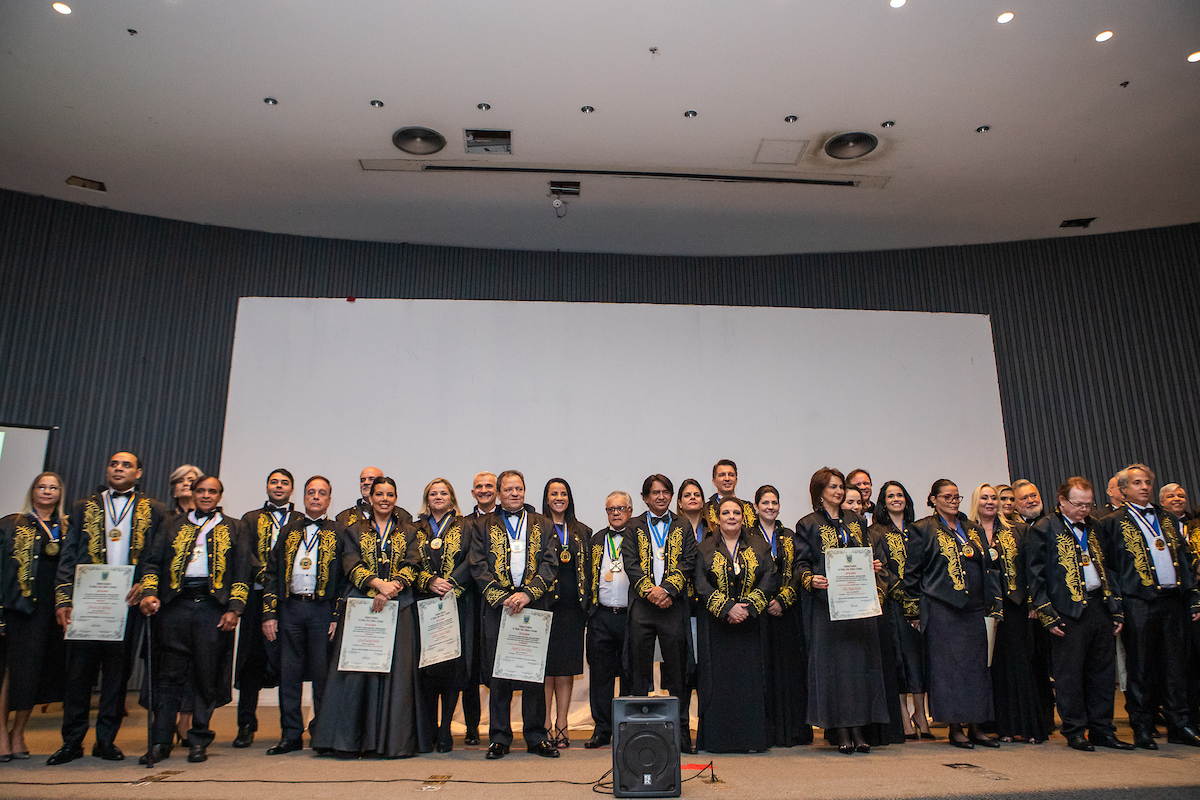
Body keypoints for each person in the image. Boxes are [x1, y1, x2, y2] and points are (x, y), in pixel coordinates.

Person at [48, 452, 167, 765]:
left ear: (138, 473)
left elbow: (156, 556)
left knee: (117, 675)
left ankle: (105, 741)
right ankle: (71, 742)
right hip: (86, 603)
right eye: (114, 464)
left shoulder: (154, 509)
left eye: (126, 465)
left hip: (126, 603)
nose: (119, 469)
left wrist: (145, 584)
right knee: (78, 675)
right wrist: (63, 599)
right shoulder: (82, 506)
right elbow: (68, 556)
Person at [139, 474, 251, 763]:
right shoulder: (171, 524)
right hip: (175, 605)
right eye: (200, 490)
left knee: (206, 676)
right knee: (169, 678)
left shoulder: (235, 527)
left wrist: (234, 609)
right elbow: (152, 562)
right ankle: (160, 741)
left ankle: (198, 739)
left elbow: (241, 572)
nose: (205, 495)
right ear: (193, 493)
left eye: (211, 491)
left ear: (219, 496)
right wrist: (150, 592)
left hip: (212, 608)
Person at [312, 476, 421, 758]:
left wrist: (391, 588)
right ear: (370, 498)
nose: (384, 499)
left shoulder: (408, 531)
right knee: (357, 674)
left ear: (396, 498)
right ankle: (350, 741)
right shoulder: (353, 530)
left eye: (390, 494)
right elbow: (350, 563)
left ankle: (390, 743)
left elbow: (413, 565)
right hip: (362, 606)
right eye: (379, 494)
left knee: (395, 676)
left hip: (399, 607)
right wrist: (377, 585)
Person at [1027, 477, 1132, 751]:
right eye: (1078, 504)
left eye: (1088, 504)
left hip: (1099, 605)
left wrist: (1116, 608)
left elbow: (1109, 568)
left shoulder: (1096, 527)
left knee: (1102, 673)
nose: (1084, 510)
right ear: (1062, 501)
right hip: (1067, 610)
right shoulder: (1044, 527)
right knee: (1069, 674)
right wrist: (1046, 612)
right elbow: (1035, 575)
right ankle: (1074, 730)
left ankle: (1102, 729)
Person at [1100, 463, 1200, 748]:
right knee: (1141, 666)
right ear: (1122, 489)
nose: (1144, 487)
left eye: (1147, 482)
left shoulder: (1166, 518)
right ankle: (1142, 726)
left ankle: (1179, 724)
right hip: (1137, 602)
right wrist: (1116, 604)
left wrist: (1193, 596)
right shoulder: (1112, 521)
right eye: (1137, 483)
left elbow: (1186, 557)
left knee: (1175, 665)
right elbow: (1107, 566)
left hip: (1173, 600)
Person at [795, 468, 888, 754]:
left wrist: (871, 565)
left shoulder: (857, 521)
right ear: (819, 490)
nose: (837, 491)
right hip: (827, 607)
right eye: (832, 487)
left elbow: (864, 553)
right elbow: (800, 564)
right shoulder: (807, 524)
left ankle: (859, 728)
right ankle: (840, 730)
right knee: (833, 669)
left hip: (857, 605)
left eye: (840, 487)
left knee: (859, 668)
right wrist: (810, 579)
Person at [903, 479, 1001, 749]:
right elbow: (911, 573)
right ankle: (956, 727)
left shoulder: (972, 528)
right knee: (949, 671)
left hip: (974, 608)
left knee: (977, 669)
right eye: (946, 497)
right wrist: (913, 610)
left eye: (956, 497)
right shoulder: (922, 529)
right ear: (933, 499)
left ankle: (977, 726)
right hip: (942, 607)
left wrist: (993, 602)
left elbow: (988, 567)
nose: (953, 501)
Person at [469, 470, 560, 759]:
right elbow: (478, 565)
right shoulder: (482, 525)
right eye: (508, 489)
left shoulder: (544, 524)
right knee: (500, 674)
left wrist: (528, 593)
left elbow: (550, 562)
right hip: (500, 608)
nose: (514, 493)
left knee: (533, 674)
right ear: (498, 493)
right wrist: (503, 597)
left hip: (533, 605)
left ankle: (536, 736)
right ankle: (499, 737)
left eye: (519, 488)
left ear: (524, 490)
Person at [261, 476, 343, 755]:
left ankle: (321, 732)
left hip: (322, 610)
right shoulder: (288, 531)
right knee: (289, 674)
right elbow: (272, 574)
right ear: (304, 497)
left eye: (322, 493)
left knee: (323, 675)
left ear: (329, 499)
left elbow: (345, 578)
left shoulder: (338, 531)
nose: (316, 497)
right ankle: (291, 734)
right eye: (311, 493)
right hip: (291, 608)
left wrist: (336, 615)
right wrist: (270, 613)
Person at [623, 474, 699, 753]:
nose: (660, 497)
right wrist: (652, 592)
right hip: (642, 608)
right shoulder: (633, 526)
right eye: (655, 492)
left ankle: (681, 734)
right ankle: (641, 733)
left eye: (666, 492)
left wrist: (667, 590)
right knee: (639, 672)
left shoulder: (682, 524)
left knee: (678, 672)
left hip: (672, 606)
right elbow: (629, 563)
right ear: (644, 497)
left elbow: (689, 560)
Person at [695, 497, 774, 753]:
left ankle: (750, 739)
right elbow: (700, 583)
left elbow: (769, 578)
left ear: (744, 517)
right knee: (719, 684)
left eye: (736, 513)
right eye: (726, 513)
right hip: (717, 627)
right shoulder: (704, 548)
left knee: (749, 683)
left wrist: (746, 609)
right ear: (717, 517)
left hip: (750, 626)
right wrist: (727, 608)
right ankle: (719, 741)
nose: (731, 517)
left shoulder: (760, 546)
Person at [969, 483, 1048, 743]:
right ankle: (1001, 727)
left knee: (1020, 666)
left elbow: (1032, 569)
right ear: (975, 502)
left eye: (994, 497)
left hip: (1015, 606)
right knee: (993, 668)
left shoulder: (1018, 531)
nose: (990, 502)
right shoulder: (967, 533)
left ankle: (1027, 727)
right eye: (985, 498)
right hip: (982, 609)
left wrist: (1034, 603)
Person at [0, 473, 69, 761]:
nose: (47, 491)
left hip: (50, 610)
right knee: (7, 673)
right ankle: (1, 734)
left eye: (53, 488)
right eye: (42, 487)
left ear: (59, 494)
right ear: (33, 490)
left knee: (33, 674)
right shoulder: (11, 523)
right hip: (16, 607)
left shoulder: (66, 528)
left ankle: (19, 732)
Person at [234, 469, 301, 748]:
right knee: (252, 660)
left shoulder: (300, 520)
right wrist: (265, 576)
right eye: (274, 482)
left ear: (292, 489)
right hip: (256, 598)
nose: (278, 486)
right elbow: (244, 553)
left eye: (284, 483)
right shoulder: (250, 519)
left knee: (287, 663)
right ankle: (246, 724)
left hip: (287, 602)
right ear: (266, 487)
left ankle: (290, 728)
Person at [412, 478, 473, 753]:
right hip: (424, 605)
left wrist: (448, 584)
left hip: (455, 603)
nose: (438, 497)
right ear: (427, 499)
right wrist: (429, 581)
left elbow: (473, 559)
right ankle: (429, 728)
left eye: (443, 493)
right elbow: (409, 562)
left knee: (451, 669)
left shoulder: (466, 526)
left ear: (452, 498)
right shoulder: (415, 528)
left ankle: (446, 727)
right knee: (427, 669)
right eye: (433, 493)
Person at [869, 480, 932, 740]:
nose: (896, 499)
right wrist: (904, 593)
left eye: (900, 495)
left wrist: (917, 594)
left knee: (919, 660)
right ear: (883, 502)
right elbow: (881, 568)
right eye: (890, 496)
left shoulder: (919, 529)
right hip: (892, 605)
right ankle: (904, 718)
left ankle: (921, 713)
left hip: (923, 603)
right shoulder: (876, 531)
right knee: (898, 659)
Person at [754, 485, 811, 747]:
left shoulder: (789, 536)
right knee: (763, 672)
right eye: (765, 503)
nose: (770, 507)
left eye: (774, 502)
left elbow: (799, 572)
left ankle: (792, 732)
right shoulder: (747, 536)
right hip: (757, 615)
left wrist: (783, 600)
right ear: (755, 507)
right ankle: (767, 732)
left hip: (787, 611)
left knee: (789, 673)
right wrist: (763, 601)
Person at [541, 478, 591, 748]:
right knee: (546, 669)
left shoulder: (582, 531)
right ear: (546, 498)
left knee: (566, 669)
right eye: (553, 493)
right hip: (544, 605)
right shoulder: (537, 528)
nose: (559, 497)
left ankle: (563, 723)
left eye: (563, 493)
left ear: (569, 498)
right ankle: (545, 724)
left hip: (572, 609)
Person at [583, 492, 633, 749]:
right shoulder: (597, 540)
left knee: (629, 674)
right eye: (610, 509)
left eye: (621, 508)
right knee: (600, 676)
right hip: (601, 616)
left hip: (630, 617)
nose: (615, 513)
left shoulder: (639, 537)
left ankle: (626, 728)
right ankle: (602, 730)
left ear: (630, 510)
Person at [457, 471, 497, 746]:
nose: (484, 490)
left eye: (489, 486)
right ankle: (472, 726)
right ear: (472, 493)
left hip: (498, 602)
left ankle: (498, 727)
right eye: (478, 487)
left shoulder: (507, 520)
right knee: (470, 666)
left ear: (497, 491)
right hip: (471, 602)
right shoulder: (463, 523)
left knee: (496, 666)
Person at [335, 467, 413, 529]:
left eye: (371, 479)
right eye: (362, 480)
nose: (366, 483)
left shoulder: (403, 516)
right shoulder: (343, 517)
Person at [703, 459, 757, 533]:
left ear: (736, 480)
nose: (727, 479)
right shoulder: (705, 510)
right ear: (714, 481)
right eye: (722, 475)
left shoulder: (749, 508)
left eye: (731, 475)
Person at [677, 478, 708, 543]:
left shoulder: (712, 530)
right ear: (680, 503)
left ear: (702, 503)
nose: (693, 497)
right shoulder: (673, 528)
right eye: (687, 495)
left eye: (697, 495)